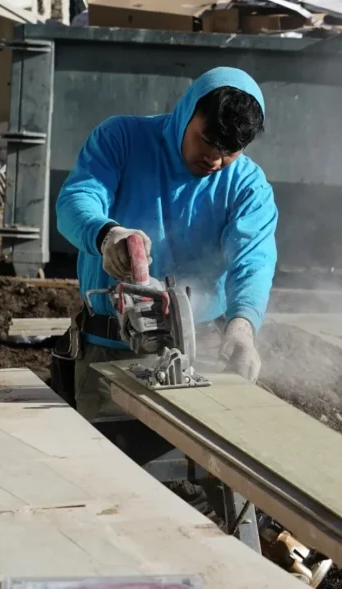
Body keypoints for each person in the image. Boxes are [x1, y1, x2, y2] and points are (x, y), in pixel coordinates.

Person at [55, 68, 277, 420]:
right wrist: (105, 234)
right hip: (111, 351)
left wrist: (242, 326)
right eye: (206, 140)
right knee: (105, 463)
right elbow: (76, 200)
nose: (215, 160)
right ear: (186, 113)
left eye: (230, 151)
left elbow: (253, 262)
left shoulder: (248, 187)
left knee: (199, 468)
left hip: (201, 354)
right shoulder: (122, 139)